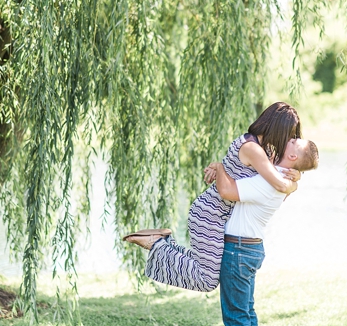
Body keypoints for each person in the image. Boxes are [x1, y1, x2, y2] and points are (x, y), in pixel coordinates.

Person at [123, 102, 311, 292]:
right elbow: (279, 185)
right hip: (210, 214)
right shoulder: (253, 149)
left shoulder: (266, 151)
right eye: (290, 135)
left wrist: (296, 176)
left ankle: (161, 242)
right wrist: (293, 184)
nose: (290, 141)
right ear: (279, 129)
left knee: (204, 269)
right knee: (207, 280)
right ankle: (156, 243)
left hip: (220, 216)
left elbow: (273, 192)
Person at [208, 141, 319, 326]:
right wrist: (296, 180)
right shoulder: (280, 179)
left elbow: (227, 190)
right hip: (249, 247)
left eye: (294, 142)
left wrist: (218, 166)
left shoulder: (269, 181)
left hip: (238, 249)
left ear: (291, 155)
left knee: (236, 316)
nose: (288, 139)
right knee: (247, 314)